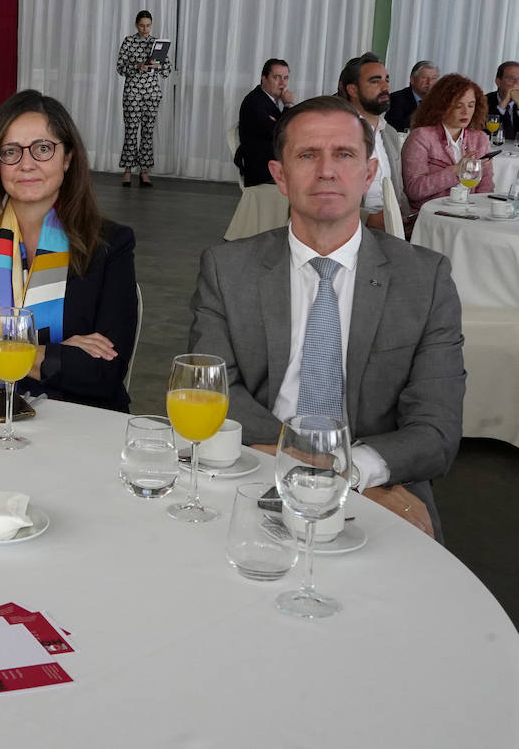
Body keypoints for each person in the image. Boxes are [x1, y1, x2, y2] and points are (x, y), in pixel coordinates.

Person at [189, 96, 463, 540]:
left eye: (344, 154)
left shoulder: (425, 279)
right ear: (280, 174)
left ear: (369, 172)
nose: (327, 171)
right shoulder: (227, 268)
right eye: (307, 155)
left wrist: (351, 477)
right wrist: (317, 466)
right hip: (249, 472)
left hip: (377, 483)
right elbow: (212, 392)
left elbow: (437, 428)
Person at [0, 89, 138, 412]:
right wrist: (53, 354)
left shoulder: (109, 245)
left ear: (68, 158)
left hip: (80, 430)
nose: (26, 164)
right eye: (11, 151)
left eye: (43, 149)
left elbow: (104, 373)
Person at [400, 73, 495, 212]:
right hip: (431, 216)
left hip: (470, 215)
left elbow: (486, 189)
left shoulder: (480, 138)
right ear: (442, 106)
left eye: (471, 105)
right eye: (458, 106)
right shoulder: (421, 137)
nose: (466, 112)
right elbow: (414, 190)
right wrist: (456, 171)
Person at [338, 52, 407, 231]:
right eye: (375, 81)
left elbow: (398, 189)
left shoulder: (389, 133)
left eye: (386, 80)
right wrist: (367, 218)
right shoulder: (337, 132)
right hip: (349, 229)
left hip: (391, 229)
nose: (385, 87)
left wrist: (406, 217)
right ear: (352, 90)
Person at [115, 10, 170, 188]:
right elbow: (120, 68)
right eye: (142, 25)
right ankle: (128, 171)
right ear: (136, 24)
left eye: (148, 25)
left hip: (152, 94)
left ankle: (144, 172)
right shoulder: (129, 41)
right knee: (131, 131)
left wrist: (158, 65)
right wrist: (137, 66)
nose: (145, 29)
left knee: (147, 132)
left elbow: (167, 71)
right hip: (132, 92)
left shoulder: (157, 43)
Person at [234, 59, 296, 187]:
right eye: (276, 77)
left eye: (285, 78)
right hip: (262, 171)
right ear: (264, 78)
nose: (282, 83)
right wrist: (289, 105)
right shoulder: (255, 102)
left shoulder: (267, 99)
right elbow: (279, 134)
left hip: (271, 162)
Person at [385, 60, 437, 133]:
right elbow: (394, 129)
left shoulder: (440, 101)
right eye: (424, 78)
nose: (430, 82)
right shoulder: (396, 99)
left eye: (434, 78)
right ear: (412, 79)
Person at [485, 61, 519, 140]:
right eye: (511, 79)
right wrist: (503, 104)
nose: (516, 84)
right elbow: (485, 133)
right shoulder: (484, 101)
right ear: (498, 82)